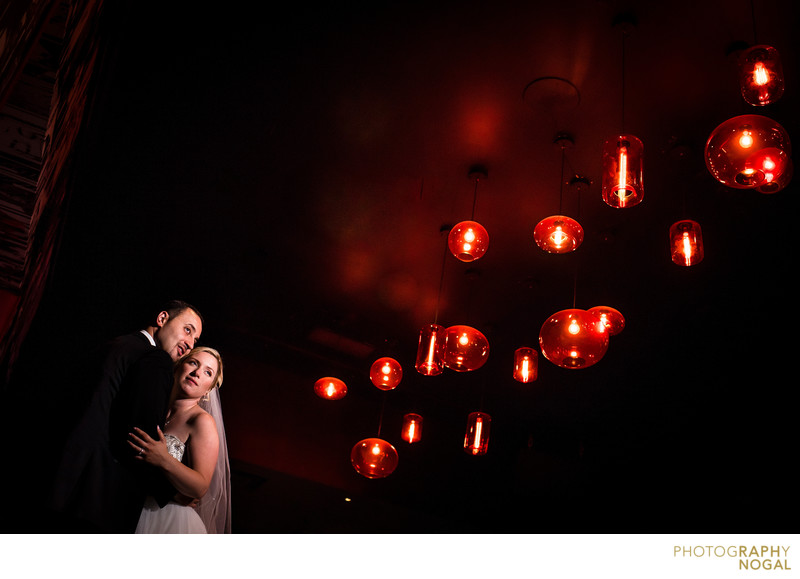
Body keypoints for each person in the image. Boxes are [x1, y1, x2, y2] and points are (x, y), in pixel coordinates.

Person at [49, 300, 204, 532]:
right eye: (187, 330)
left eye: (195, 340)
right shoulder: (155, 359)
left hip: (60, 481)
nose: (189, 343)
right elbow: (140, 440)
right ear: (162, 319)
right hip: (97, 498)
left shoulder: (113, 345)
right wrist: (171, 494)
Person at [129, 346, 231, 534]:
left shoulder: (201, 421)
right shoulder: (155, 406)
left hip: (169, 521)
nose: (197, 373)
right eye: (193, 363)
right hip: (131, 507)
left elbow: (200, 487)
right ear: (179, 366)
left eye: (208, 372)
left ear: (209, 389)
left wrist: (163, 459)